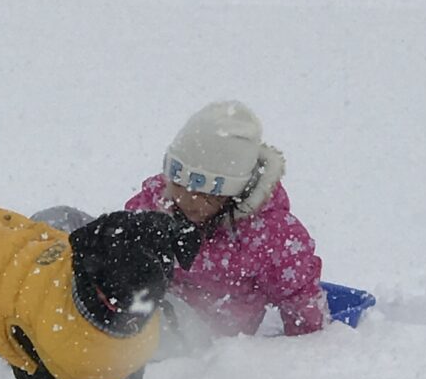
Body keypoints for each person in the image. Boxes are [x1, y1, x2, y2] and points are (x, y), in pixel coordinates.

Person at [124, 101, 328, 339]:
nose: (186, 200)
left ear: (233, 193)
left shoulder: (270, 235)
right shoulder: (158, 203)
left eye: (203, 194)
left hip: (209, 336)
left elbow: (300, 297)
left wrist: (304, 346)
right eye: (178, 184)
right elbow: (123, 244)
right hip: (147, 304)